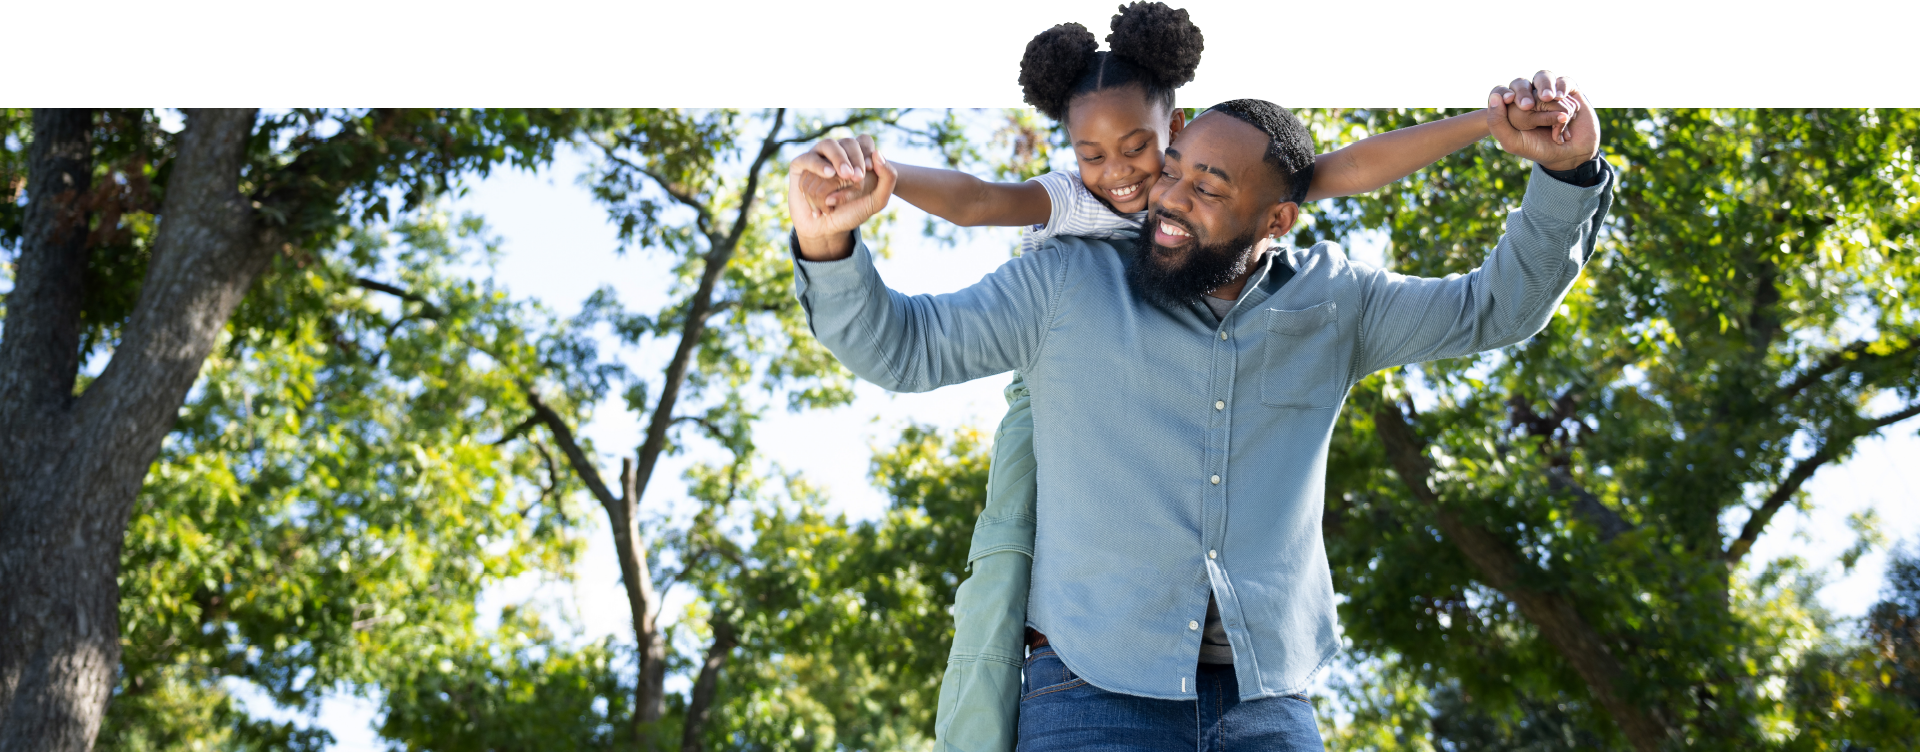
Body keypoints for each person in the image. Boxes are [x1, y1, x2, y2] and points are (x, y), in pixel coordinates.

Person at [791, 5, 1579, 750]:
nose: (1161, 194)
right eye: (1172, 173)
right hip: (1086, 696)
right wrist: (827, 243)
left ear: (1276, 219)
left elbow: (1496, 307)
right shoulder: (1065, 277)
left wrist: (1564, 172)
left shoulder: (1335, 302)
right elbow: (903, 348)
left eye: (1203, 185)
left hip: (1269, 705)